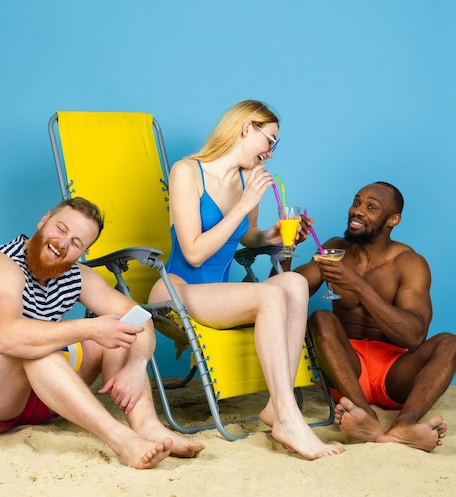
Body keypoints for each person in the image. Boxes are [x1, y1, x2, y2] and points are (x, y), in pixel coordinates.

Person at [0, 197, 205, 469]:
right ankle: (121, 441)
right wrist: (90, 327)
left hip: (34, 399)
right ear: (44, 220)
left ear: (82, 252)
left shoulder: (75, 275)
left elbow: (139, 318)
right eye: (61, 229)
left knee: (118, 334)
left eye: (76, 243)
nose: (62, 244)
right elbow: (4, 337)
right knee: (36, 348)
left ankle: (149, 426)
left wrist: (136, 364)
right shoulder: (0, 264)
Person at [147, 100, 344, 460]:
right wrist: (244, 201)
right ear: (245, 128)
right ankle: (288, 417)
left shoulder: (246, 180)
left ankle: (277, 406)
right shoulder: (187, 171)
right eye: (269, 140)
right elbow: (193, 252)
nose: (270, 152)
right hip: (179, 288)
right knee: (269, 297)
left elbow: (245, 235)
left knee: (295, 284)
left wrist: (269, 236)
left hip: (220, 294)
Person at [294, 181, 456, 451]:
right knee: (321, 319)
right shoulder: (334, 249)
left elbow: (414, 337)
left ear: (392, 220)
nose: (358, 211)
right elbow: (284, 293)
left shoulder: (409, 263)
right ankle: (365, 415)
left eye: (371, 207)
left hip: (394, 372)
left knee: (451, 342)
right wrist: (285, 250)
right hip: (346, 371)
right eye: (357, 202)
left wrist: (359, 286)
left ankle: (404, 425)